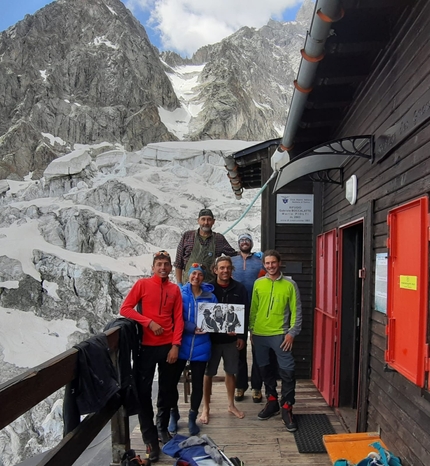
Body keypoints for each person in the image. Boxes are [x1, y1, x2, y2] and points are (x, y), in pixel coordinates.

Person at [119, 250, 184, 462]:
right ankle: (150, 439)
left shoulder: (174, 289)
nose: (163, 268)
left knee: (167, 389)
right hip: (145, 347)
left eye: (166, 264)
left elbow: (178, 319)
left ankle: (162, 428)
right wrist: (148, 322)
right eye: (159, 264)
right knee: (143, 392)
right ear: (153, 267)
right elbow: (126, 309)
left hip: (167, 347)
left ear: (170, 267)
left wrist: (176, 346)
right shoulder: (142, 285)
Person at [250, 249, 302, 432]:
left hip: (281, 335)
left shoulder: (290, 285)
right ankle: (272, 401)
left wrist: (292, 333)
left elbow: (296, 311)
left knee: (288, 370)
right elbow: (253, 309)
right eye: (267, 263)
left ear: (279, 263)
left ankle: (287, 406)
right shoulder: (258, 284)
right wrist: (251, 331)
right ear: (264, 264)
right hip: (260, 334)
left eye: (273, 262)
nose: (270, 266)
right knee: (264, 369)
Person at [168, 263, 217, 436]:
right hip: (180, 343)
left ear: (204, 277)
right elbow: (175, 316)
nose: (196, 277)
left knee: (197, 384)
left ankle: (192, 417)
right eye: (193, 273)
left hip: (202, 345)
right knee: (172, 382)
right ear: (188, 275)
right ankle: (173, 414)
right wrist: (190, 327)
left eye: (200, 274)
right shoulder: (180, 294)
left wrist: (222, 327)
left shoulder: (210, 296)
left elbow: (218, 317)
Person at [199, 255, 249, 424]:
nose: (225, 270)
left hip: (230, 340)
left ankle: (231, 404)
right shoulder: (208, 289)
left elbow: (244, 312)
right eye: (222, 268)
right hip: (210, 340)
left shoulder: (240, 288)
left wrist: (242, 336)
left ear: (231, 269)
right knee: (208, 373)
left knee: (231, 371)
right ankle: (205, 407)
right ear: (215, 270)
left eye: (228, 267)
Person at [231, 233, 266, 403]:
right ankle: (240, 385)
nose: (244, 242)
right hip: (237, 311)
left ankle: (257, 387)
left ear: (251, 243)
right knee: (239, 348)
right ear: (238, 244)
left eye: (247, 240)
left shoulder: (260, 261)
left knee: (257, 349)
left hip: (256, 309)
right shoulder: (231, 261)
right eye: (241, 240)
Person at [174, 208, 237, 285]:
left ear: (213, 222)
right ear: (198, 220)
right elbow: (178, 263)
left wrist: (251, 255)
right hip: (188, 285)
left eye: (209, 220)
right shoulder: (188, 236)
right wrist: (179, 283)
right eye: (203, 219)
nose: (206, 222)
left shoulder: (218, 238)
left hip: (209, 286)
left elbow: (234, 255)